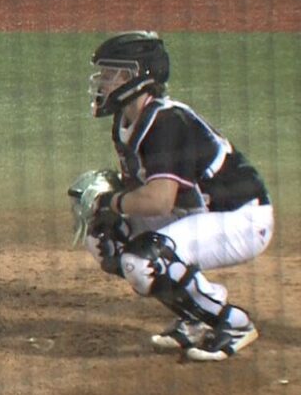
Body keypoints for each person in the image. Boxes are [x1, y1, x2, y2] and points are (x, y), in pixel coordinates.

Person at [70, 31, 274, 362]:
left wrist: (109, 201)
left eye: (111, 73)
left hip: (243, 219)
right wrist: (111, 206)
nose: (103, 82)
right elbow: (140, 191)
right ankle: (194, 319)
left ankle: (233, 323)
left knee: (147, 258)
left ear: (136, 76)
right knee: (106, 236)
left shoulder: (166, 122)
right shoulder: (127, 121)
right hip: (200, 213)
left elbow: (159, 200)